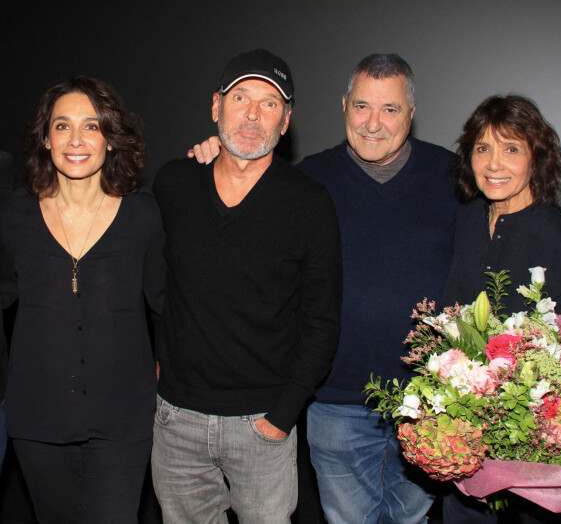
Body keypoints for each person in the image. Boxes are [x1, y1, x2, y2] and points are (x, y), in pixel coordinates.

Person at [191, 53, 459, 524]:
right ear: (343, 107)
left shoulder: (455, 178)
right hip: (335, 403)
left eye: (390, 109)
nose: (373, 123)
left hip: (431, 404)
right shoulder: (304, 180)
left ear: (412, 113)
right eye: (361, 106)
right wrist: (212, 152)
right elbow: (233, 206)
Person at [151, 49, 342, 524]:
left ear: (287, 119)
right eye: (240, 98)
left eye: (270, 103)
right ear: (216, 106)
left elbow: (321, 321)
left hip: (262, 424)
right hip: (176, 421)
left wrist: (281, 417)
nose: (253, 115)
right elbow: (155, 290)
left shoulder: (309, 203)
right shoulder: (174, 183)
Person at [0, 76, 164, 524]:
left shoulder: (143, 215)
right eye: (62, 126)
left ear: (110, 139)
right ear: (45, 138)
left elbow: (168, 306)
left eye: (91, 126)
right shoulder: (14, 216)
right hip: (37, 419)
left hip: (124, 421)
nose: (76, 140)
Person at [441, 94, 561, 524]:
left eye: (511, 148)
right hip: (466, 436)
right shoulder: (464, 219)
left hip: (536, 449)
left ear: (536, 159)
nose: (494, 164)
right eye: (483, 148)